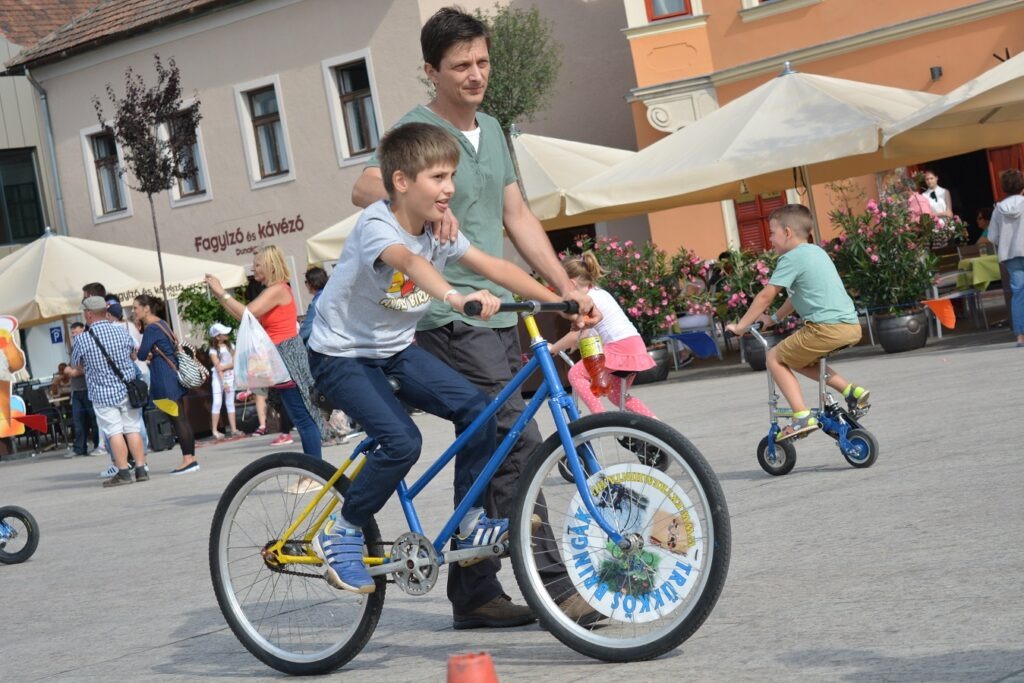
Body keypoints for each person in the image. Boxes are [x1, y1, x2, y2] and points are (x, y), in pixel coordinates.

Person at [351, 6, 597, 629]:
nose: (475, 74)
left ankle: (473, 590)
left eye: (482, 61)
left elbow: (517, 218)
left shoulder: (492, 126)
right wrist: (421, 207)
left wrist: (563, 287)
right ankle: (556, 588)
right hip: (442, 313)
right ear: (432, 71)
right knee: (522, 440)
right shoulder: (416, 127)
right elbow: (362, 187)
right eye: (461, 65)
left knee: (488, 444)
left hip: (497, 313)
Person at [309, 121, 572, 597]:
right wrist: (455, 298)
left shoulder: (438, 230)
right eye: (438, 178)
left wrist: (560, 299)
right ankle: (343, 528)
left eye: (451, 176)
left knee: (480, 411)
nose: (449, 188)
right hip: (341, 355)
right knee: (402, 441)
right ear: (402, 182)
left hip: (392, 352)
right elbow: (409, 264)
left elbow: (495, 266)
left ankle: (469, 521)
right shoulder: (377, 225)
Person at [726, 205, 871, 440]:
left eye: (772, 233)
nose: (770, 239)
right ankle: (852, 391)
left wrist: (741, 326)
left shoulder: (791, 258)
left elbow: (766, 295)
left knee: (774, 357)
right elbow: (795, 297)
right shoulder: (816, 252)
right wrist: (772, 319)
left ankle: (801, 415)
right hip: (850, 326)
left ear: (787, 232)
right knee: (796, 359)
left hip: (825, 328)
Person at [206, 246, 325, 466]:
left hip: (287, 358)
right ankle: (315, 472)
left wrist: (222, 292)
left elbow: (247, 313)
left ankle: (316, 473)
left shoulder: (278, 289)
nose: (253, 267)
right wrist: (220, 296)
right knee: (301, 417)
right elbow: (245, 317)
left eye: (258, 264)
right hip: (280, 359)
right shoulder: (273, 290)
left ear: (270, 266)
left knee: (303, 419)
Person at [549, 251, 656, 417]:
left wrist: (553, 348)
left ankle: (600, 418)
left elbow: (575, 335)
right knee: (617, 396)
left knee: (575, 374)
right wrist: (575, 344)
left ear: (570, 284)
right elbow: (585, 334)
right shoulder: (600, 292)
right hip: (634, 345)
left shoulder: (587, 302)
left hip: (619, 347)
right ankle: (655, 425)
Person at [72, 296, 148, 487]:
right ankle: (140, 468)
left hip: (103, 393)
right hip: (128, 389)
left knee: (114, 432)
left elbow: (76, 364)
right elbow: (133, 354)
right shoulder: (121, 332)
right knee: (132, 428)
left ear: (89, 314)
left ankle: (123, 472)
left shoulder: (82, 339)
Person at [133, 295, 198, 475]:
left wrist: (141, 353)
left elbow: (141, 354)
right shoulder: (162, 323)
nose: (134, 311)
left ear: (146, 308)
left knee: (177, 418)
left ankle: (188, 460)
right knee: (180, 417)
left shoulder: (151, 328)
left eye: (136, 307)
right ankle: (190, 458)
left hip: (163, 376)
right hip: (170, 374)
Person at [987, 168, 1024, 347]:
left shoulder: (998, 210)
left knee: (1018, 294)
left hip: (1010, 254)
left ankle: (1020, 336)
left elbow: (992, 237)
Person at [66, 322, 101, 456]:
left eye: (76, 332)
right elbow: (69, 367)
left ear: (83, 330)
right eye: (72, 333)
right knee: (78, 421)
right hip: (76, 390)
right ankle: (79, 448)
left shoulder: (88, 344)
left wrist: (75, 371)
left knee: (93, 419)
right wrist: (71, 370)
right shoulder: (74, 347)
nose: (74, 335)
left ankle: (99, 445)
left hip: (88, 388)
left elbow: (86, 367)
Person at [208, 322, 237, 440]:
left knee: (230, 403)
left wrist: (224, 367)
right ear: (217, 336)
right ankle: (215, 430)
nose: (226, 335)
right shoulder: (213, 350)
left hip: (231, 375)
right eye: (223, 333)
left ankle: (234, 429)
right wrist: (223, 382)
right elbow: (217, 367)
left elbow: (233, 362)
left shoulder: (231, 346)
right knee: (217, 402)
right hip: (218, 378)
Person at [299, 267, 328, 343]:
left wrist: (297, 341)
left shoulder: (316, 302)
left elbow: (306, 329)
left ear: (312, 283)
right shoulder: (329, 296)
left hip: (321, 346)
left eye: (306, 281)